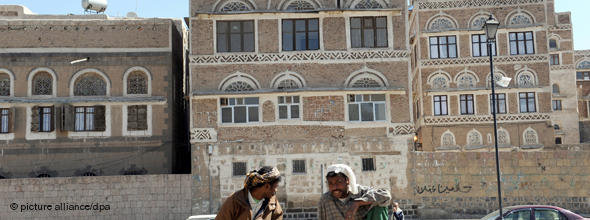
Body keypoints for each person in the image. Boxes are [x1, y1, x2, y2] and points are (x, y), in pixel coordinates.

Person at [318, 164, 392, 220]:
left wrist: (357, 203)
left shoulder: (360, 192)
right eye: (331, 183)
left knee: (378, 207)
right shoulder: (325, 200)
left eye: (339, 182)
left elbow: (386, 195)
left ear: (347, 180)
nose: (334, 187)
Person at [216, 166, 283, 220]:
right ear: (267, 186)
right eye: (275, 187)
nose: (276, 190)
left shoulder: (273, 203)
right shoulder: (234, 201)